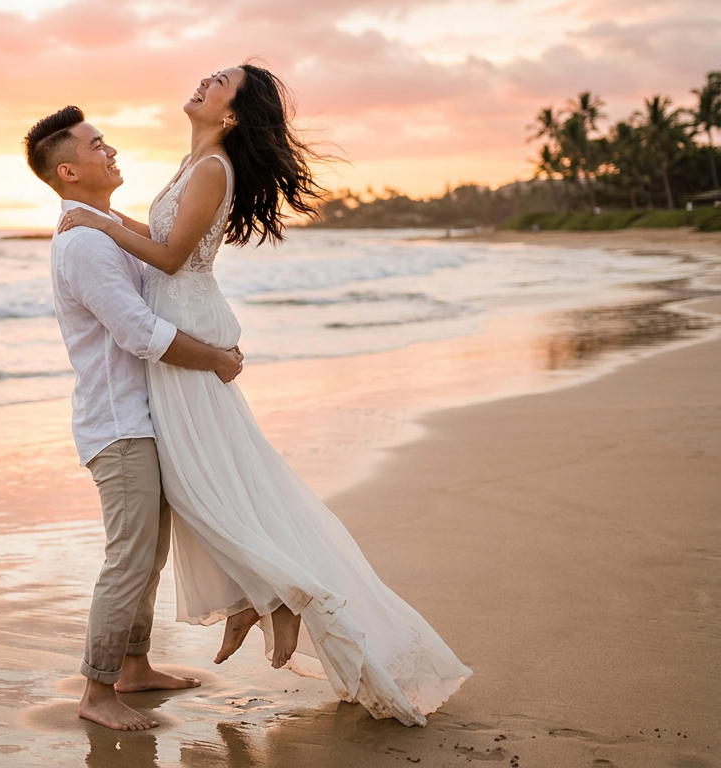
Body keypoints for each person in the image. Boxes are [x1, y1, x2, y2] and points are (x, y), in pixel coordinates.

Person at [56, 64, 472, 726]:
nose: (200, 80)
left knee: (210, 487)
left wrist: (100, 224)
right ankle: (263, 597)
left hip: (184, 333)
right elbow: (163, 239)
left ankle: (274, 594)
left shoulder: (212, 166)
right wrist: (102, 218)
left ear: (231, 114)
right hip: (181, 336)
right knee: (211, 485)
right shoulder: (197, 160)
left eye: (217, 81)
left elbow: (165, 260)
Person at [21, 106, 245, 731]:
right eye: (97, 145)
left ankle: (134, 666)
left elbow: (161, 275)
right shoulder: (85, 245)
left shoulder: (99, 229)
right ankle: (96, 691)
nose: (110, 150)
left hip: (145, 418)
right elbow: (140, 332)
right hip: (118, 427)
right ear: (67, 169)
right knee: (130, 556)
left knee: (146, 556)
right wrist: (217, 361)